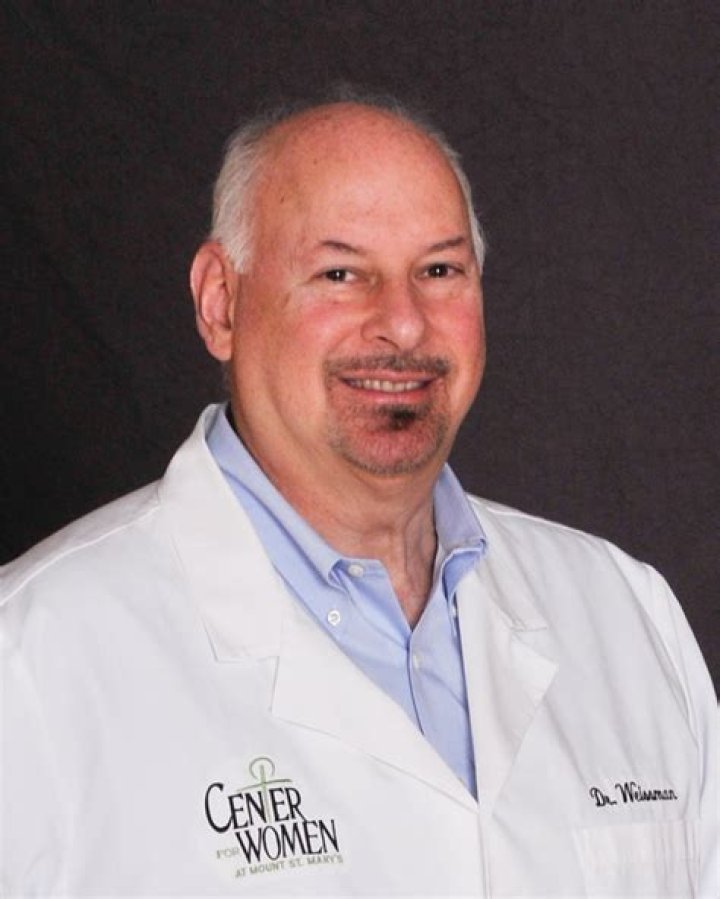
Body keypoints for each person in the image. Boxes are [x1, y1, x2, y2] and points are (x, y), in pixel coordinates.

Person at [1, 94, 717, 898]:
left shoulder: (626, 615)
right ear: (220, 302)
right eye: (340, 273)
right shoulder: (30, 663)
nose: (404, 325)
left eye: (439, 270)